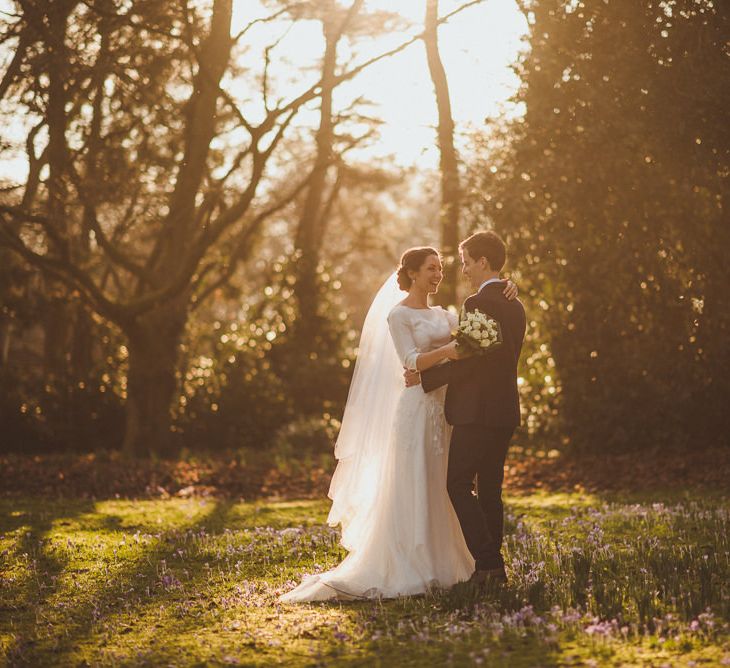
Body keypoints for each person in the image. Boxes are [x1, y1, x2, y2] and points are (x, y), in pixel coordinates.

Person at [279, 246, 518, 602]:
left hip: (447, 408)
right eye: (431, 269)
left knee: (444, 482)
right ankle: (413, 559)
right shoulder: (398, 316)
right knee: (416, 479)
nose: (439, 274)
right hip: (417, 407)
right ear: (413, 273)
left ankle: (460, 559)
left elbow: (475, 339)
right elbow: (409, 360)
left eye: (441, 268)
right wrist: (445, 354)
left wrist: (507, 286)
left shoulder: (447, 314)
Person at [406, 231, 526, 586]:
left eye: (466, 263)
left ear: (482, 262)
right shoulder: (515, 304)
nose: (464, 270)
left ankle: (488, 562)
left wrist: (427, 379)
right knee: (490, 489)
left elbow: (472, 361)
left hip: (477, 411)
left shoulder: (478, 304)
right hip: (505, 408)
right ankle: (494, 570)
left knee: (458, 484)